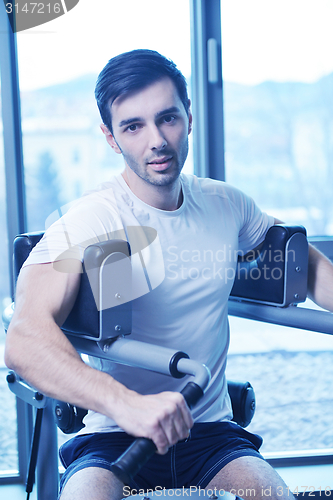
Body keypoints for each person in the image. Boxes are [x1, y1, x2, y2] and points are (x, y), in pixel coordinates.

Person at [5, 49, 333, 500]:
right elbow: (24, 340)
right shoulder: (92, 219)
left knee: (275, 496)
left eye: (168, 118)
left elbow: (305, 263)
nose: (156, 140)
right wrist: (129, 406)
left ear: (189, 117)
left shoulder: (226, 204)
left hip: (211, 433)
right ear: (110, 137)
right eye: (133, 126)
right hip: (114, 436)